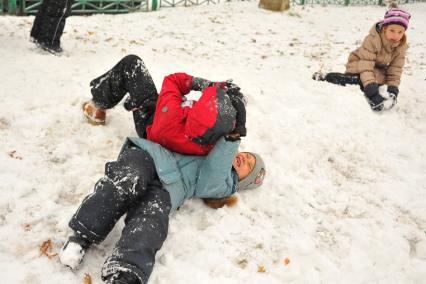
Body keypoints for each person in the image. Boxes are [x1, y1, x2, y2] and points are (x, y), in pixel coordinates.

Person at [59, 134, 266, 283]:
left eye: (249, 164)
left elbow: (214, 171)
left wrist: (232, 139)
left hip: (168, 189)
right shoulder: (216, 143)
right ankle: (82, 236)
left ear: (244, 181)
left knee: (151, 220)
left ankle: (125, 272)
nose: (244, 158)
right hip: (149, 156)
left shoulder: (223, 186)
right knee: (125, 180)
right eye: (247, 155)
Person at [82, 54, 247, 155]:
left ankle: (98, 105)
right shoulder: (217, 137)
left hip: (152, 119)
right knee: (155, 94)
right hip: (169, 131)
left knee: (132, 64)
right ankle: (131, 100)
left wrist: (206, 84)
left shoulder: (173, 113)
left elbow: (173, 80)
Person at [312, 8, 410, 112]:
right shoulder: (373, 40)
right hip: (359, 64)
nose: (396, 35)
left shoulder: (401, 47)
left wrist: (393, 89)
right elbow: (366, 65)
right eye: (392, 30)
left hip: (376, 70)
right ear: (385, 28)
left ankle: (366, 83)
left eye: (400, 32)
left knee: (379, 82)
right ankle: (329, 77)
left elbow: (396, 69)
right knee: (362, 82)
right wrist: (372, 91)